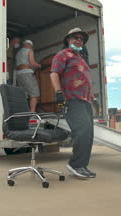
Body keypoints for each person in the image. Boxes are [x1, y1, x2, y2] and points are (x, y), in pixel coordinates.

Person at [50, 28, 96, 179]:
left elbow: (86, 79)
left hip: (85, 100)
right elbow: (54, 73)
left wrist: (93, 98)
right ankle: (75, 164)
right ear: (68, 39)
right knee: (82, 129)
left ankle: (82, 165)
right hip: (71, 98)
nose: (78, 40)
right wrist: (58, 93)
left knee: (88, 133)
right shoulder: (63, 54)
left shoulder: (81, 57)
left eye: (81, 39)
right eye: (75, 37)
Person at [15, 40, 41, 112]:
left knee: (23, 95)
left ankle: (24, 112)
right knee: (34, 94)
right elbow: (32, 63)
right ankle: (32, 113)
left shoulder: (18, 53)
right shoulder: (29, 50)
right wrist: (39, 65)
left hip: (19, 74)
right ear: (30, 45)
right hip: (27, 73)